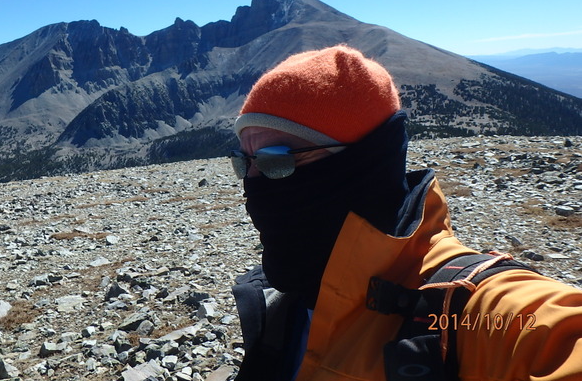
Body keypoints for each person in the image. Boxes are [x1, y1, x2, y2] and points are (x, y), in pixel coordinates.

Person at [228, 45, 582, 381]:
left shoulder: (469, 307)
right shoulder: (282, 299)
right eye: (244, 162)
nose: (254, 183)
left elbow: (549, 332)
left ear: (365, 162)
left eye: (276, 160)